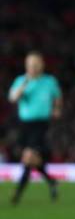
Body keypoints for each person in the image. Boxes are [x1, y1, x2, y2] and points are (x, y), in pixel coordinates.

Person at [8, 51, 62, 204]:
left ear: (41, 65)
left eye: (36, 64)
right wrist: (24, 84)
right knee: (31, 160)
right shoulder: (21, 81)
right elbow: (13, 98)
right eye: (30, 64)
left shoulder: (49, 81)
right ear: (26, 66)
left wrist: (57, 108)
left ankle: (17, 195)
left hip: (41, 124)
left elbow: (57, 97)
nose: (33, 67)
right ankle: (52, 182)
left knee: (28, 156)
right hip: (24, 125)